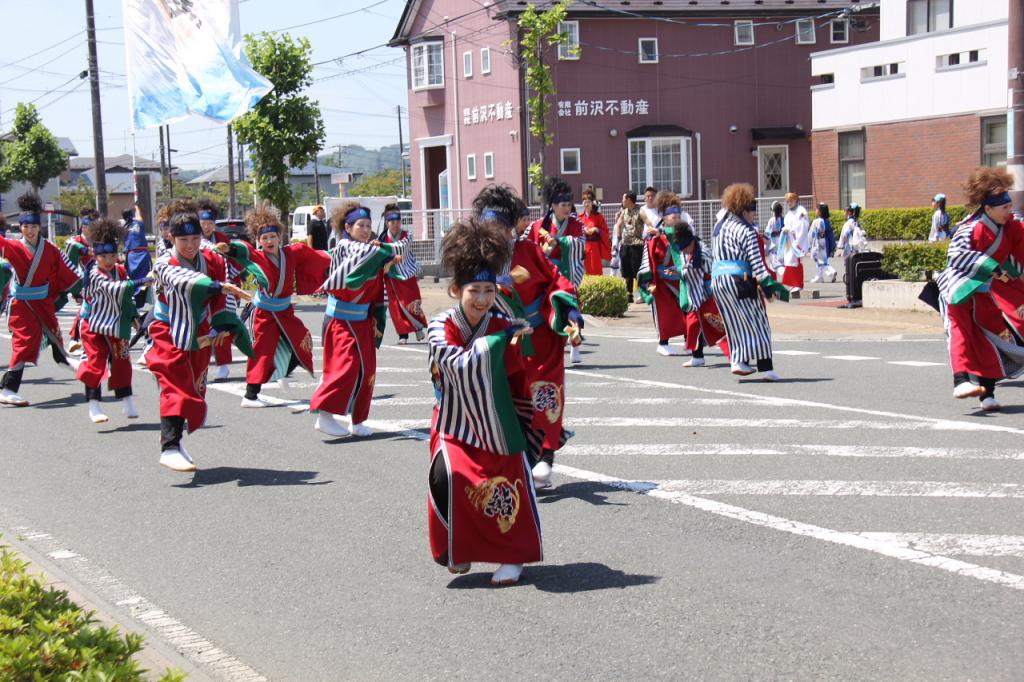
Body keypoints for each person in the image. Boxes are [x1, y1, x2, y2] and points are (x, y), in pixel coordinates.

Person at [427, 216, 543, 586]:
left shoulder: (498, 320)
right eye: (473, 290)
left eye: (488, 291)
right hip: (453, 418)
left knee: (505, 483)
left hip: (497, 418)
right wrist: (497, 341)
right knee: (448, 476)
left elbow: (518, 369)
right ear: (456, 290)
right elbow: (454, 364)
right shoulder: (440, 324)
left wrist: (515, 342)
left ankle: (512, 557)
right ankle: (456, 549)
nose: (481, 299)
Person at [474, 184, 580, 490]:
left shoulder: (529, 251)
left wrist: (567, 310)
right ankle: (523, 460)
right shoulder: (477, 262)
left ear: (509, 229)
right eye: (485, 226)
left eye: (496, 226)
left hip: (540, 338)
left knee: (546, 393)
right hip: (502, 343)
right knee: (509, 401)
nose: (490, 232)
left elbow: (558, 282)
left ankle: (546, 455)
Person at [148, 200, 252, 471]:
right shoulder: (164, 263)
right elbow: (184, 280)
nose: (191, 244)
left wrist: (221, 325)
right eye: (184, 239)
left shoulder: (209, 257)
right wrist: (217, 286)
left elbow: (238, 259)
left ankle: (176, 439)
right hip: (168, 330)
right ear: (171, 237)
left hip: (200, 332)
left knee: (194, 386)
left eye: (196, 238)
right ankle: (169, 447)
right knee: (175, 384)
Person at [215, 202, 330, 408]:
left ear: (280, 237)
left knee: (303, 340)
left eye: (273, 237)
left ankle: (283, 371)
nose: (269, 240)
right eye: (264, 238)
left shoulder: (291, 253)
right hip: (265, 312)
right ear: (259, 240)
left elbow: (316, 256)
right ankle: (250, 396)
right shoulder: (257, 257)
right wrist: (230, 249)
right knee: (262, 352)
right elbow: (243, 250)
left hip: (284, 310)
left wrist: (336, 258)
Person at [936, 167, 1024, 412]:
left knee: (991, 341)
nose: (1009, 210)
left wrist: (1009, 270)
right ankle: (961, 381)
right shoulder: (969, 228)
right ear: (988, 208)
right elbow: (957, 256)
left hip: (985, 293)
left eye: (1009, 206)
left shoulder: (1010, 226)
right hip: (960, 288)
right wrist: (992, 267)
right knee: (960, 333)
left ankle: (987, 394)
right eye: (1004, 207)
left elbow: (1019, 252)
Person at [309, 202, 400, 438]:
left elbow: (380, 262)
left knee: (367, 369)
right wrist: (386, 254)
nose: (366, 229)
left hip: (361, 320)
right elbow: (372, 256)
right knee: (346, 366)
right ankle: (324, 414)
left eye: (369, 225)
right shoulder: (346, 247)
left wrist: (387, 264)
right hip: (341, 319)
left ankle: (358, 421)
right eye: (360, 225)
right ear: (347, 228)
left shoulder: (368, 249)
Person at [0, 194, 82, 407]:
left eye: (34, 226)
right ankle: (8, 388)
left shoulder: (51, 249)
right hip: (22, 304)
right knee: (24, 343)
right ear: (20, 227)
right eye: (26, 227)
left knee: (54, 334)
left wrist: (78, 291)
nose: (30, 230)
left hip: (43, 301)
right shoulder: (13, 246)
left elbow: (65, 271)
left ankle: (63, 360)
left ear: (40, 227)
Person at [711, 183, 789, 381]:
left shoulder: (719, 228)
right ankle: (767, 368)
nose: (753, 216)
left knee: (734, 323)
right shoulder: (747, 232)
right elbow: (758, 265)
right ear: (745, 210)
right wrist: (770, 289)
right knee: (759, 321)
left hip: (718, 281)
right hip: (740, 281)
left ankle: (738, 361)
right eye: (752, 212)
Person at [76, 218, 147, 424]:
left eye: (113, 255)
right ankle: (93, 405)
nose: (109, 260)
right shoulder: (93, 273)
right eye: (103, 256)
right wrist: (142, 281)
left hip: (116, 324)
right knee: (96, 362)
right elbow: (113, 289)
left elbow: (126, 297)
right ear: (95, 255)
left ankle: (127, 400)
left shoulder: (121, 271)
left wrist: (134, 317)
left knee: (123, 361)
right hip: (94, 325)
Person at [671, 220, 731, 369]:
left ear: (691, 242)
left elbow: (694, 271)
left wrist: (679, 270)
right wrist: (679, 269)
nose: (684, 252)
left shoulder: (703, 253)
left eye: (685, 248)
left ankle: (736, 356)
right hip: (695, 297)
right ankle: (697, 357)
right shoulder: (687, 251)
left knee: (718, 327)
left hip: (708, 295)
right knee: (692, 326)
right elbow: (687, 268)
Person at [637, 191, 689, 356]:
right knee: (665, 313)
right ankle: (663, 342)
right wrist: (648, 281)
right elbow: (649, 258)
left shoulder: (684, 236)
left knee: (687, 309)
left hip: (681, 278)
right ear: (664, 218)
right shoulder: (656, 236)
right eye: (672, 215)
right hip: (661, 282)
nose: (675, 217)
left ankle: (689, 340)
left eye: (677, 215)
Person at [197, 198, 237, 381]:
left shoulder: (222, 239)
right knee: (201, 327)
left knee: (222, 325)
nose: (206, 227)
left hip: (221, 286)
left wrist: (235, 283)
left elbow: (233, 262)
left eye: (210, 223)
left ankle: (224, 365)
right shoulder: (192, 239)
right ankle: (200, 366)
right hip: (200, 287)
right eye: (203, 223)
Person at [525, 176, 586, 289]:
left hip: (567, 274)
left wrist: (559, 241)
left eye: (569, 205)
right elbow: (525, 245)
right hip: (544, 276)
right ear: (553, 206)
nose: (567, 208)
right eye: (563, 205)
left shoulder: (577, 224)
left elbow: (581, 243)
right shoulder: (538, 225)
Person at [379, 203, 428, 344]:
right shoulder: (383, 237)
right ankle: (403, 334)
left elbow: (401, 249)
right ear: (387, 223)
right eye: (392, 222)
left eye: (397, 222)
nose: (395, 225)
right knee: (395, 306)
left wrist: (385, 249)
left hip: (406, 275)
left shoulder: (407, 235)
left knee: (411, 302)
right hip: (391, 277)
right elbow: (379, 254)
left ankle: (418, 328)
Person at [613, 191, 645, 301]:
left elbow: (648, 222)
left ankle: (643, 293)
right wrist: (618, 238)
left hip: (637, 245)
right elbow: (619, 224)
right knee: (625, 270)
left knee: (636, 269)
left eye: (623, 198)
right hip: (625, 244)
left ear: (629, 200)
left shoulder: (640, 211)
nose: (622, 201)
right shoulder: (624, 211)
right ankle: (629, 293)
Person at [122, 205, 153, 310]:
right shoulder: (139, 223)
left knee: (133, 277)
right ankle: (141, 299)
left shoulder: (125, 227)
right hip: (143, 253)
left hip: (131, 255)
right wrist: (136, 207)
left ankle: (135, 298)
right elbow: (139, 215)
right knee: (144, 277)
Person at [779, 192, 809, 292]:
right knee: (789, 261)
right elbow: (786, 225)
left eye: (791, 200)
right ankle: (793, 283)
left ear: (796, 200)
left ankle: (798, 284)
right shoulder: (788, 214)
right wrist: (785, 230)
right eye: (788, 201)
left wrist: (797, 239)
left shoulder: (801, 211)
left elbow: (803, 226)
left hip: (796, 240)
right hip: (789, 240)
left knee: (796, 262)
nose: (789, 203)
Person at [578, 189, 611, 276]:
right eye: (584, 202)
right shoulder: (579, 217)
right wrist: (583, 230)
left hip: (594, 247)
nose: (586, 204)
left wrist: (596, 229)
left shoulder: (598, 217)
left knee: (595, 269)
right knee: (583, 272)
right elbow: (575, 232)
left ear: (592, 203)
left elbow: (606, 232)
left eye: (588, 202)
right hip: (582, 247)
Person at [809, 203, 838, 283]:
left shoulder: (816, 221)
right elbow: (830, 234)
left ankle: (831, 271)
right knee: (821, 260)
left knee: (819, 260)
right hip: (825, 243)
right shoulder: (827, 222)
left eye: (817, 209)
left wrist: (809, 243)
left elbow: (811, 233)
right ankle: (819, 276)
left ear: (820, 211)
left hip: (818, 243)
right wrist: (832, 245)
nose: (816, 210)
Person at [763, 201, 785, 272]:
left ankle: (779, 272)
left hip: (773, 241)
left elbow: (767, 233)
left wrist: (764, 244)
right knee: (780, 259)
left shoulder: (771, 220)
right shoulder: (783, 219)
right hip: (781, 240)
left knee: (773, 260)